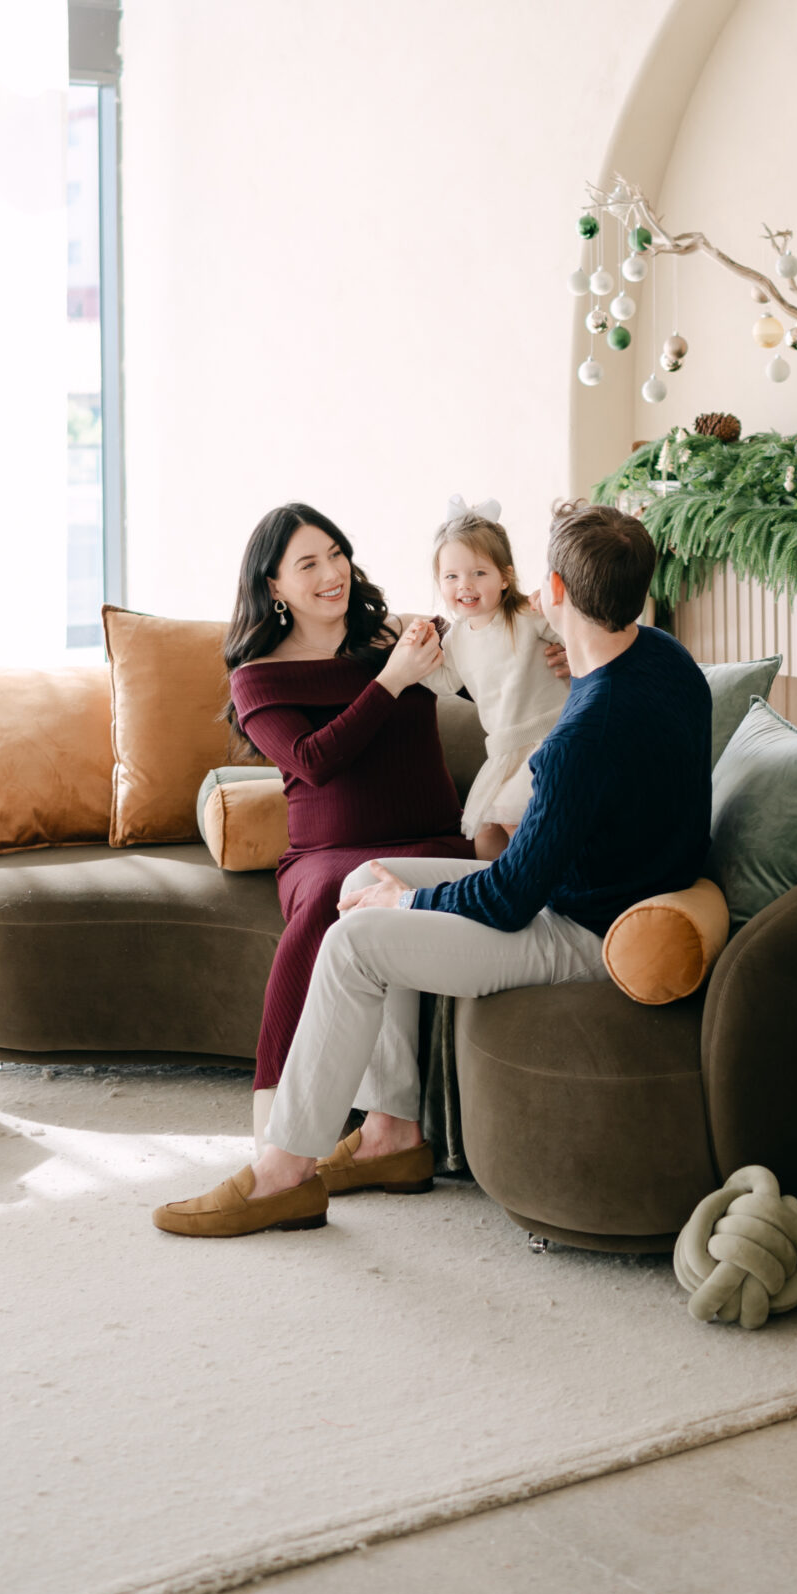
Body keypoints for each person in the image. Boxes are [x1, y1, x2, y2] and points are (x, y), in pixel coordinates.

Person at [153, 500, 712, 1237]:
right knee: (360, 882)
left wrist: (411, 905)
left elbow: (512, 896)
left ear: (546, 589)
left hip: (578, 927)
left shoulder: (579, 737)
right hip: (600, 892)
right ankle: (392, 1134)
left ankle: (282, 1172)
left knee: (354, 936)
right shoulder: (666, 661)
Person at [224, 502, 479, 1129]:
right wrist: (390, 681)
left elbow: (497, 682)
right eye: (308, 563)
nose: (331, 572)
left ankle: (392, 1131)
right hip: (325, 856)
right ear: (274, 586)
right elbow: (313, 761)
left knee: (383, 883)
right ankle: (275, 1118)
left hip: (433, 841)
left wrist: (544, 660)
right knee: (334, 895)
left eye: (336, 553)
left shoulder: (398, 637)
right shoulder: (258, 678)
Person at [426, 497, 569, 860]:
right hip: (505, 750)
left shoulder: (526, 615)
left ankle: (543, 887)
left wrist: (572, 655)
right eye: (452, 576)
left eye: (479, 573)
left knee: (515, 819)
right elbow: (444, 682)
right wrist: (419, 656)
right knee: (486, 833)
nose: (465, 585)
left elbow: (574, 634)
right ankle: (490, 899)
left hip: (547, 736)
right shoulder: (456, 638)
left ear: (504, 577)